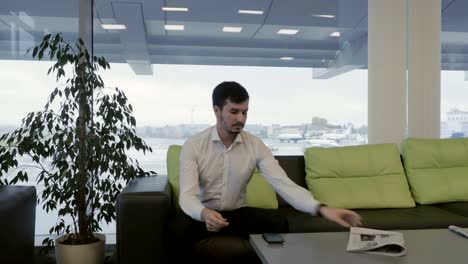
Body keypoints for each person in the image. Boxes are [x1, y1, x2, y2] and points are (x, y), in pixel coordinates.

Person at [176, 81, 362, 259]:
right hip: (201, 214)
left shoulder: (255, 145)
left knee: (278, 221)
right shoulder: (194, 145)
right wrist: (203, 214)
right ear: (217, 111)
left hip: (236, 215)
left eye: (245, 112)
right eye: (234, 112)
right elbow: (187, 196)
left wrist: (322, 209)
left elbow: (284, 185)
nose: (241, 119)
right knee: (177, 229)